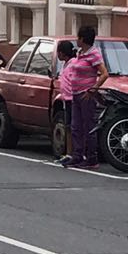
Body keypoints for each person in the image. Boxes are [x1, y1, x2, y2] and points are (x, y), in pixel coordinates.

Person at [60, 26, 109, 170]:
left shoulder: (94, 54)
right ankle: (77, 155)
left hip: (86, 95)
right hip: (75, 94)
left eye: (78, 38)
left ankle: (91, 158)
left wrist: (93, 89)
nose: (76, 40)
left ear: (82, 39)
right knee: (76, 126)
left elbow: (104, 73)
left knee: (88, 126)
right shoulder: (80, 54)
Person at [53, 39, 78, 166]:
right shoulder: (67, 64)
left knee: (73, 126)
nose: (57, 55)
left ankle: (74, 153)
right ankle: (69, 153)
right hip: (67, 98)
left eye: (58, 52)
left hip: (72, 98)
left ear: (62, 53)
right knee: (68, 126)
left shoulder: (73, 64)